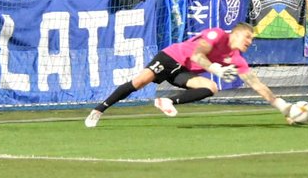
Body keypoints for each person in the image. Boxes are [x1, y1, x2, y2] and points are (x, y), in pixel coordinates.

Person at [84, 23, 295, 127]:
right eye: (248, 37)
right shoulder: (217, 34)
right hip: (171, 58)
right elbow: (197, 54)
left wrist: (282, 106)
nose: (250, 42)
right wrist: (216, 69)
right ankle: (99, 110)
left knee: (212, 88)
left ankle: (167, 100)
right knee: (139, 82)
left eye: (252, 40)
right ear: (236, 32)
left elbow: (255, 84)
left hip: (184, 73)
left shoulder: (237, 58)